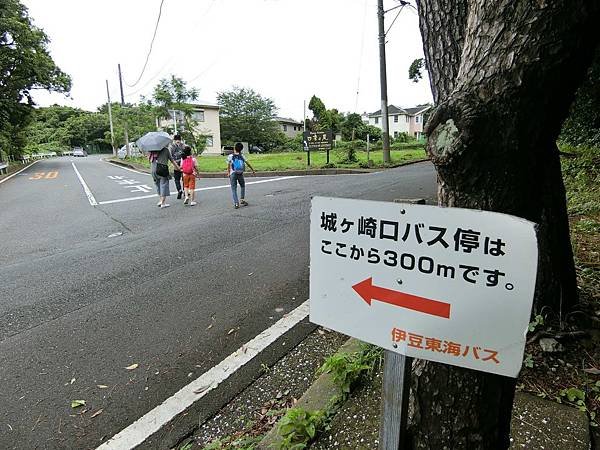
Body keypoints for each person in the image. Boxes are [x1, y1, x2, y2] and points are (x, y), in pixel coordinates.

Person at [227, 142, 256, 209]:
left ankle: (236, 203)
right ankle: (242, 200)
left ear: (234, 148)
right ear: (241, 149)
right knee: (242, 185)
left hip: (233, 173)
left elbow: (228, 165)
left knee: (234, 189)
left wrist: (228, 173)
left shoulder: (230, 156)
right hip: (240, 173)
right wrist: (253, 170)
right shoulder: (242, 156)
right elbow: (247, 163)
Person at [168, 134, 186, 199]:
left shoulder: (171, 146)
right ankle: (185, 191)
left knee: (177, 179)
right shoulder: (183, 145)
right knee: (184, 178)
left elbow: (170, 156)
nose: (178, 141)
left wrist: (172, 163)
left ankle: (180, 190)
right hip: (182, 164)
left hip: (176, 164)